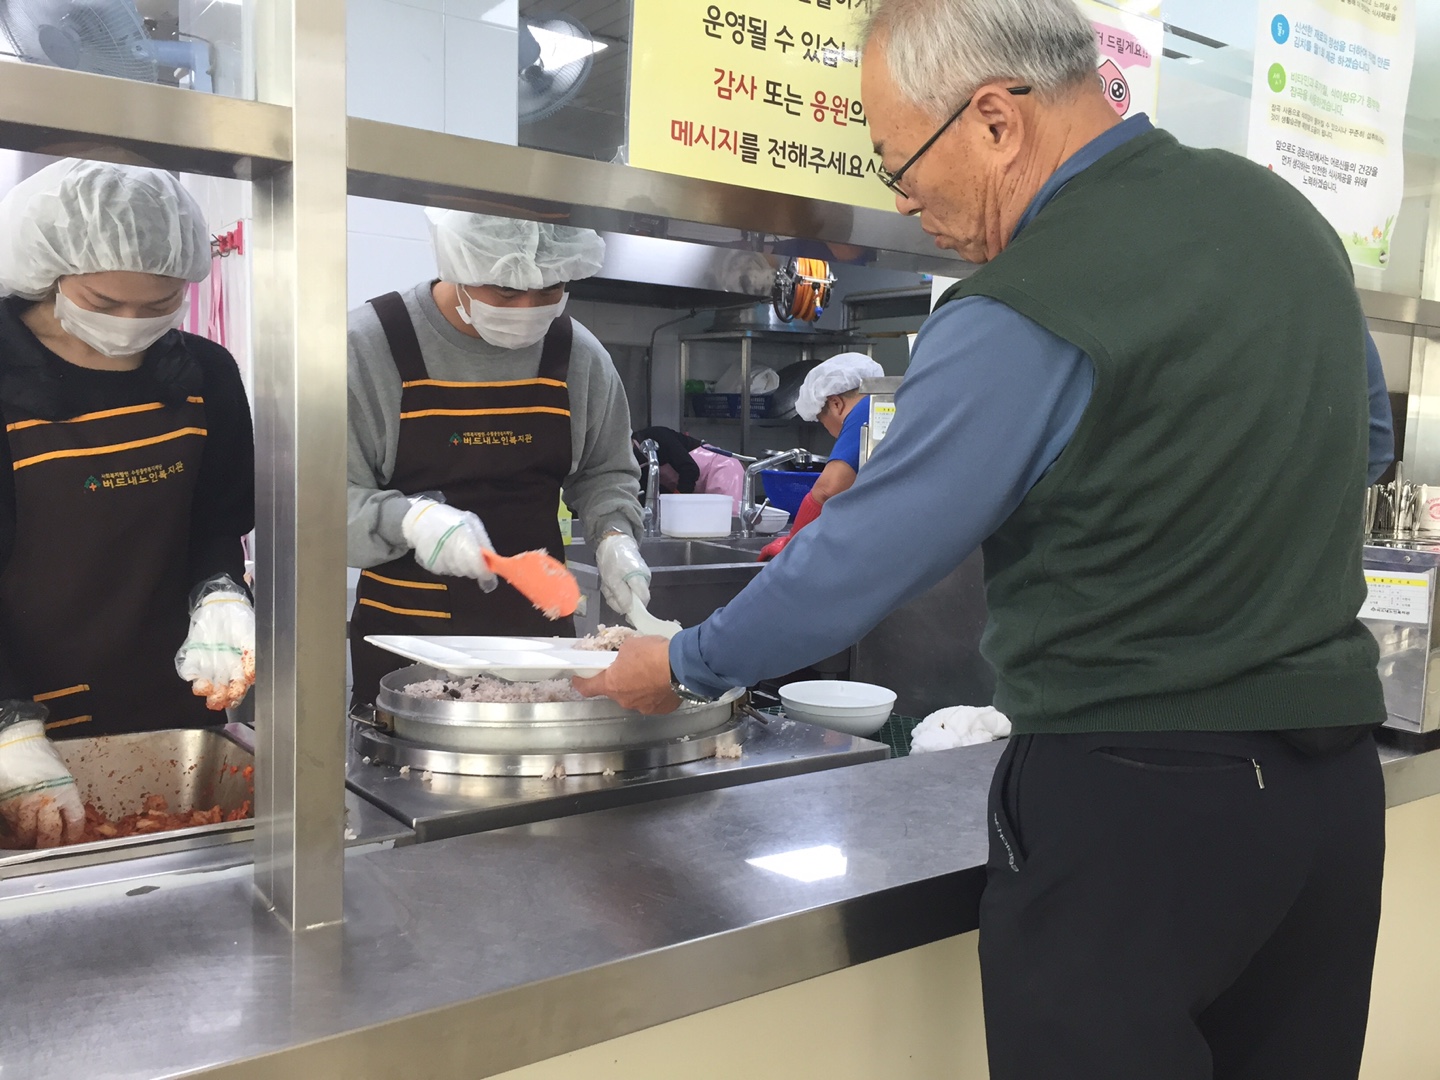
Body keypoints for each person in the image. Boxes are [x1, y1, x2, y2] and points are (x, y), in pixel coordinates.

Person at [577, 1, 1396, 1077]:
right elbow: (1369, 439)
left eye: (899, 163)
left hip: (1139, 804)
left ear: (997, 122)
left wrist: (685, 663)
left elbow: (872, 549)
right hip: (1331, 799)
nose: (905, 202)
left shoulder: (1026, 301)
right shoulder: (1279, 218)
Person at [0, 159, 256, 849]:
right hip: (24, 707)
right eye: (105, 304)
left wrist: (220, 593)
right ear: (44, 269)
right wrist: (11, 730)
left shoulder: (205, 373)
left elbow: (215, 523)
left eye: (157, 305)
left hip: (170, 706)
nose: (130, 326)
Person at [347, 211, 649, 705]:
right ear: (458, 265)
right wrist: (411, 521)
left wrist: (615, 535)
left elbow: (605, 472)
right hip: (406, 641)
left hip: (539, 636)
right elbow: (323, 503)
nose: (528, 308)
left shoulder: (579, 355)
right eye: (505, 291)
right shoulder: (367, 348)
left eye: (551, 289)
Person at [758, 352, 884, 560]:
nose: (831, 432)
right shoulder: (890, 405)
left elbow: (827, 489)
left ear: (836, 403)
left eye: (822, 421)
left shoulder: (866, 411)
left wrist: (791, 546)